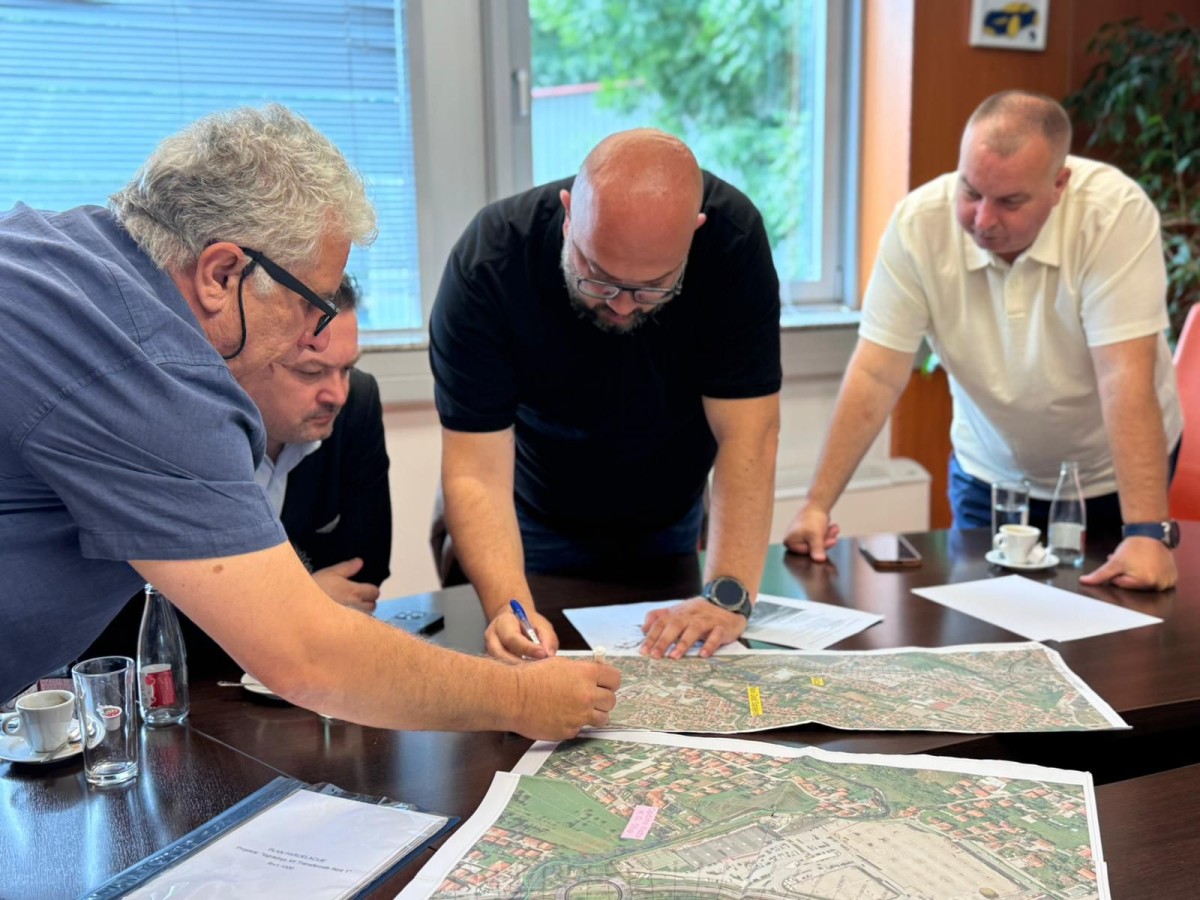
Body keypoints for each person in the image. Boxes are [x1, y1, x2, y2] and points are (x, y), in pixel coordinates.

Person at [0, 104, 619, 739]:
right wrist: (520, 697)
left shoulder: (60, 255)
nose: (311, 338)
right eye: (312, 306)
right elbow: (307, 656)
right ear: (221, 274)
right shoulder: (151, 369)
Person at [784, 90, 1183, 592]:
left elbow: (1123, 375)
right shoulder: (918, 226)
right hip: (990, 474)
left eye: (1010, 202)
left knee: (1115, 628)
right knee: (979, 625)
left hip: (1109, 477)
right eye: (971, 192)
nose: (983, 220)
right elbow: (875, 373)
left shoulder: (1113, 214)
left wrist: (1146, 531)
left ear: (1059, 185)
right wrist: (816, 505)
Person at [430, 128, 782, 661]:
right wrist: (510, 609)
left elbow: (749, 435)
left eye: (652, 287)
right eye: (597, 277)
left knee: (672, 664)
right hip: (534, 518)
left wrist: (726, 596)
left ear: (694, 233)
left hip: (669, 515)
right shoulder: (492, 260)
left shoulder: (732, 242)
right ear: (568, 215)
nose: (621, 305)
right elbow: (475, 469)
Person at [239, 274, 390, 613]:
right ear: (248, 361)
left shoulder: (357, 404)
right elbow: (174, 604)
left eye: (347, 369)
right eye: (311, 372)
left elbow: (366, 575)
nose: (337, 395)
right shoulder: (199, 426)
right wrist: (302, 600)